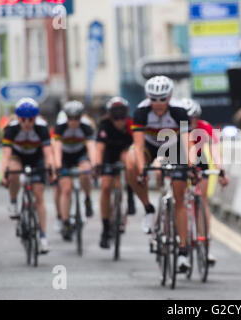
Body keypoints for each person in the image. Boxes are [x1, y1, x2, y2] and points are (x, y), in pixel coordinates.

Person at [130, 75, 195, 272]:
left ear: (170, 96)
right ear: (148, 97)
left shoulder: (179, 111)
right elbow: (139, 145)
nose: (158, 103)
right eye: (154, 99)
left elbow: (187, 141)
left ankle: (183, 251)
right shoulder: (141, 111)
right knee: (131, 161)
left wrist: (191, 166)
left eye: (162, 99)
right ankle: (149, 209)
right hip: (150, 147)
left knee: (179, 197)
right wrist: (141, 169)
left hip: (173, 147)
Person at [1, 98, 56, 254]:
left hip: (36, 158)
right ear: (18, 118)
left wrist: (50, 170)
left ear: (35, 118)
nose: (26, 123)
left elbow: (48, 153)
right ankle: (13, 202)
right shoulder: (11, 129)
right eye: (23, 119)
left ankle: (43, 236)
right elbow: (6, 155)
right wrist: (5, 174)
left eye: (30, 119)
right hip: (17, 156)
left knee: (39, 196)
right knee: (13, 171)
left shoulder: (42, 128)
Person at [181, 98, 229, 265]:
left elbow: (214, 150)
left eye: (193, 119)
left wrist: (220, 170)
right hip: (177, 156)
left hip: (199, 160)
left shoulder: (204, 126)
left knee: (202, 200)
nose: (191, 122)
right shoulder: (175, 127)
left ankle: (206, 245)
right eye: (187, 119)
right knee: (177, 199)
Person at [52, 100, 96, 241]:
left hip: (80, 156)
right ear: (66, 117)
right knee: (66, 188)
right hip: (64, 157)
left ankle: (87, 199)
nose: (73, 121)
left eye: (77, 118)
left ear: (81, 117)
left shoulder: (85, 127)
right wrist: (58, 167)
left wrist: (95, 164)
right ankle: (65, 222)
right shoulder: (60, 128)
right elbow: (56, 149)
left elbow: (91, 147)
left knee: (86, 170)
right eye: (70, 118)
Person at [95, 97, 134, 249]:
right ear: (111, 116)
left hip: (125, 153)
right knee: (105, 187)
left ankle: (130, 197)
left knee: (128, 160)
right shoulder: (104, 126)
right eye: (116, 118)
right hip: (109, 155)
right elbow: (99, 148)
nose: (119, 122)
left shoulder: (130, 125)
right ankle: (105, 229)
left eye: (122, 118)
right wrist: (98, 164)